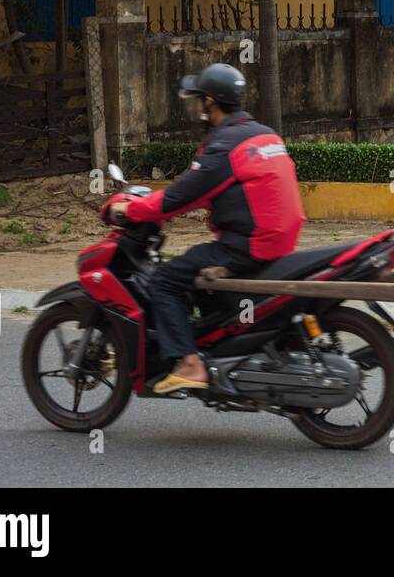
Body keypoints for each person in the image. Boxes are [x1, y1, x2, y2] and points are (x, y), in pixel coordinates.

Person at [108, 63, 305, 394]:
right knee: (197, 274)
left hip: (249, 245)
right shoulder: (264, 134)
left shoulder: (224, 144)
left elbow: (178, 198)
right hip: (280, 240)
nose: (197, 107)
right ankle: (213, 343)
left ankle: (190, 364)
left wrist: (131, 210)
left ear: (211, 102)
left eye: (199, 99)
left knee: (166, 281)